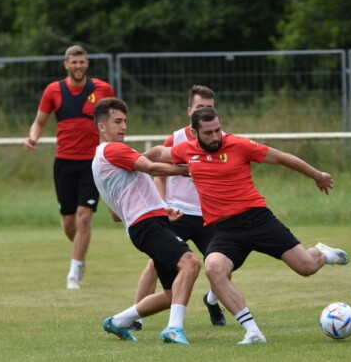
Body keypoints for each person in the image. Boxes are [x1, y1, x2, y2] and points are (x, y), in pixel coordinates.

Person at [146, 106, 350, 345]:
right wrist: (130, 159)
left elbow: (282, 157)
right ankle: (253, 331)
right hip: (225, 230)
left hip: (258, 219)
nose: (215, 137)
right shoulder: (186, 150)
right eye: (208, 133)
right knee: (214, 269)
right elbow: (159, 153)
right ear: (194, 132)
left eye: (218, 130)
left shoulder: (239, 145)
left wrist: (316, 175)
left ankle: (323, 253)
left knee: (305, 267)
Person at [92, 97, 201, 345]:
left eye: (125, 121)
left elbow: (115, 214)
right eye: (117, 121)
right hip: (147, 226)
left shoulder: (99, 161)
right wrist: (190, 170)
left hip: (147, 223)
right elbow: (152, 168)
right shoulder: (113, 149)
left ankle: (117, 321)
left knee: (171, 294)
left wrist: (162, 209)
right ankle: (174, 329)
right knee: (191, 264)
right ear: (101, 127)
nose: (124, 127)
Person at [129, 85, 226, 332]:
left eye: (209, 108)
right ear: (189, 111)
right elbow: (156, 172)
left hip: (208, 216)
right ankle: (135, 316)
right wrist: (163, 205)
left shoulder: (219, 139)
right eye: (199, 108)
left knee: (223, 264)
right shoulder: (175, 139)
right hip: (178, 213)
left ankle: (212, 300)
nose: (204, 112)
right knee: (155, 261)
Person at [24, 45, 115, 290]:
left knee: (84, 217)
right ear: (66, 65)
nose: (78, 66)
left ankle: (73, 272)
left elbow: (116, 120)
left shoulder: (102, 89)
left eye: (82, 62)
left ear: (87, 64)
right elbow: (39, 121)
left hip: (91, 163)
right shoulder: (53, 90)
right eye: (74, 62)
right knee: (68, 223)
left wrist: (115, 149)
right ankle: (80, 253)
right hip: (64, 162)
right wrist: (33, 138)